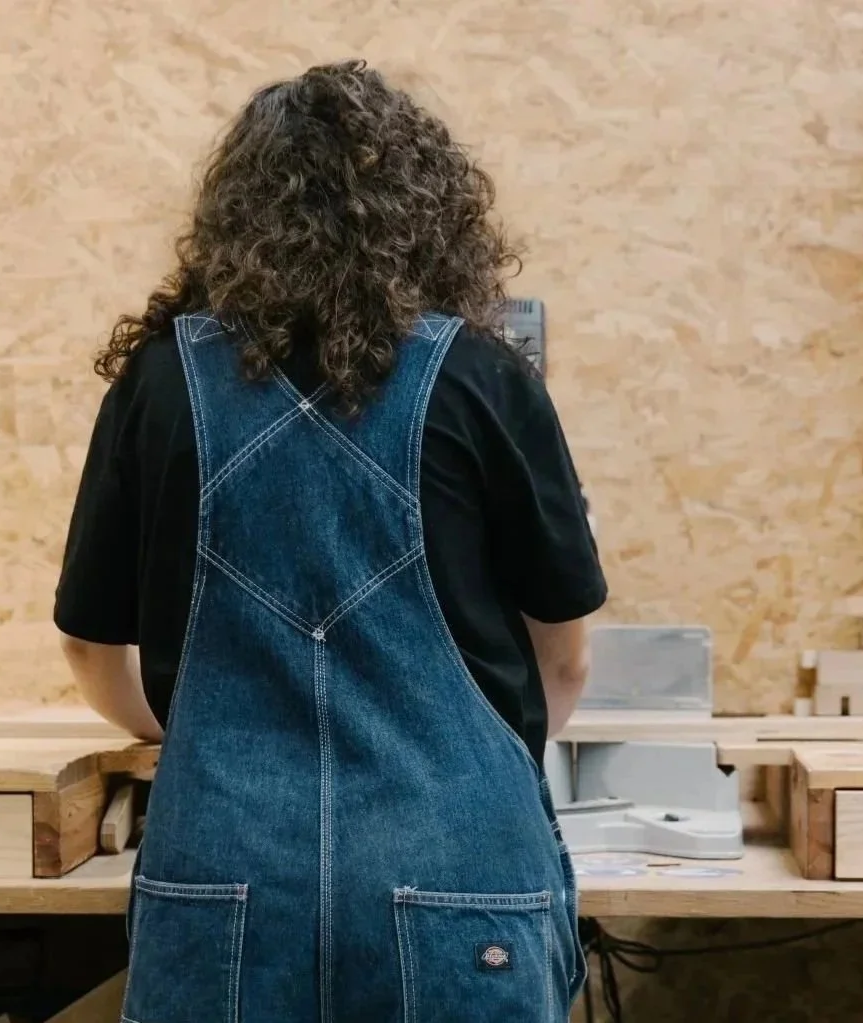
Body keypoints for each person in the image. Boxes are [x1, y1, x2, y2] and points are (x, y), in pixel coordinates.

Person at [53, 60, 607, 1022]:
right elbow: (561, 662)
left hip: (224, 875)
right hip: (458, 867)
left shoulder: (157, 386)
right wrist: (453, 760)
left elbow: (92, 653)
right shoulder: (483, 378)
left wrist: (206, 742)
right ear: (428, 215)